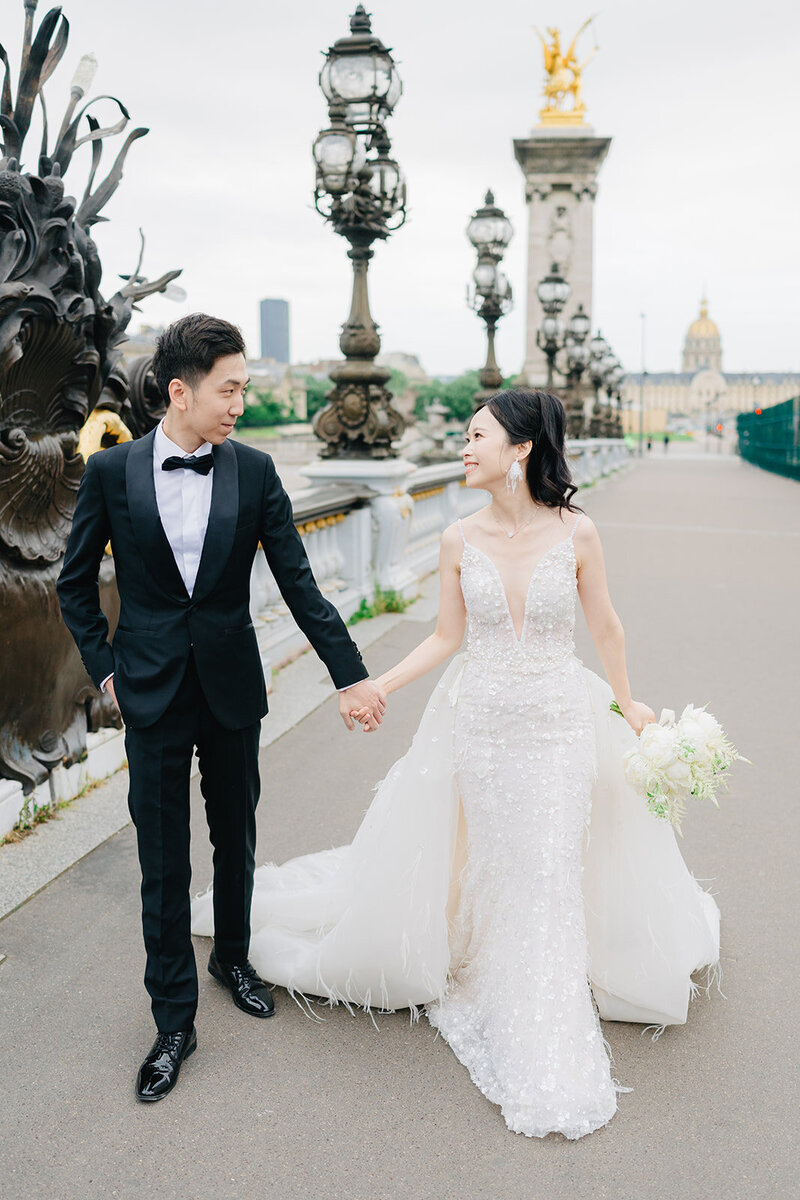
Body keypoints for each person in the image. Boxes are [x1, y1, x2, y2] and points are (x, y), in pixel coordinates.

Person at [192, 388, 720, 1140]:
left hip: (558, 724)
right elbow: (445, 638)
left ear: (522, 448)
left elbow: (605, 625)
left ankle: (538, 1020)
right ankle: (488, 962)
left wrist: (630, 706)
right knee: (501, 863)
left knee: (546, 868)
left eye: (477, 438)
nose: (464, 450)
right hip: (481, 725)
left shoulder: (579, 532)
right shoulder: (456, 538)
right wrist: (375, 685)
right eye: (465, 437)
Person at [57, 314, 385, 1103]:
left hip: (234, 686)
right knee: (162, 860)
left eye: (245, 389)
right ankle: (173, 1021)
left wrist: (352, 676)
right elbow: (72, 585)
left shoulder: (257, 471)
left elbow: (301, 585)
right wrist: (107, 675)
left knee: (235, 832)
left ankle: (231, 957)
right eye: (229, 389)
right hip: (150, 693)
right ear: (180, 391)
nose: (240, 403)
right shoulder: (111, 474)